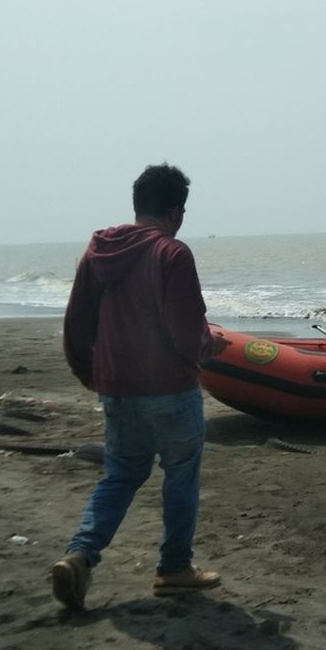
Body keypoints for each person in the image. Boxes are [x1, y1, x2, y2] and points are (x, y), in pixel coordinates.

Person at [52, 163, 228, 611]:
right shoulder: (173, 253)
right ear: (176, 212)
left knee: (121, 476)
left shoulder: (98, 252)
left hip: (117, 388)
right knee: (181, 476)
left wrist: (89, 373)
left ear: (137, 206)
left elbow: (76, 323)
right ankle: (174, 569)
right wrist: (211, 346)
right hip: (170, 389)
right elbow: (186, 332)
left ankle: (80, 555)